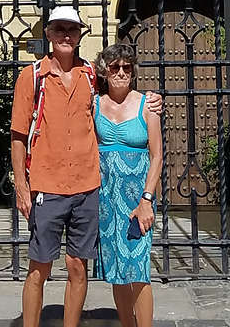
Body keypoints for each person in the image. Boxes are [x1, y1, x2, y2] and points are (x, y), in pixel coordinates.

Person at [10, 5, 100, 327]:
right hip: (47, 186)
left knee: (78, 265)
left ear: (79, 36)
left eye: (72, 30)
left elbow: (118, 100)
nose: (66, 35)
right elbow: (18, 135)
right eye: (59, 28)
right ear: (48, 34)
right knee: (39, 268)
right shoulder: (32, 76)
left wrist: (150, 100)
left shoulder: (91, 75)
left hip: (87, 184)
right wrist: (22, 185)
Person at [93, 41, 163, 327]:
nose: (121, 72)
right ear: (104, 71)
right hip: (106, 198)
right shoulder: (94, 104)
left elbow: (157, 155)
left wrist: (147, 199)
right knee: (117, 269)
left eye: (126, 67)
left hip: (137, 200)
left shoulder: (148, 105)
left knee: (138, 269)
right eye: (114, 67)